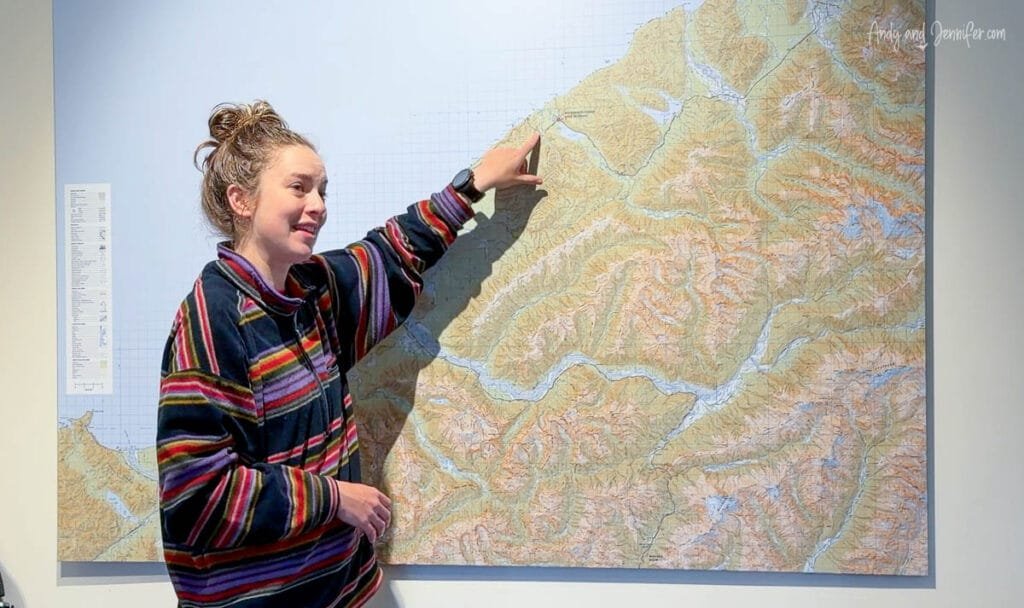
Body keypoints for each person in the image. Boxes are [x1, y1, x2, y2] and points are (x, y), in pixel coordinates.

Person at [156, 100, 542, 608]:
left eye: (322, 190)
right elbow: (198, 496)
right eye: (299, 187)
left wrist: (474, 185)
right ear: (241, 200)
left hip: (339, 593)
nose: (317, 204)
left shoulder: (310, 293)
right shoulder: (212, 319)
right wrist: (334, 497)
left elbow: (392, 251)